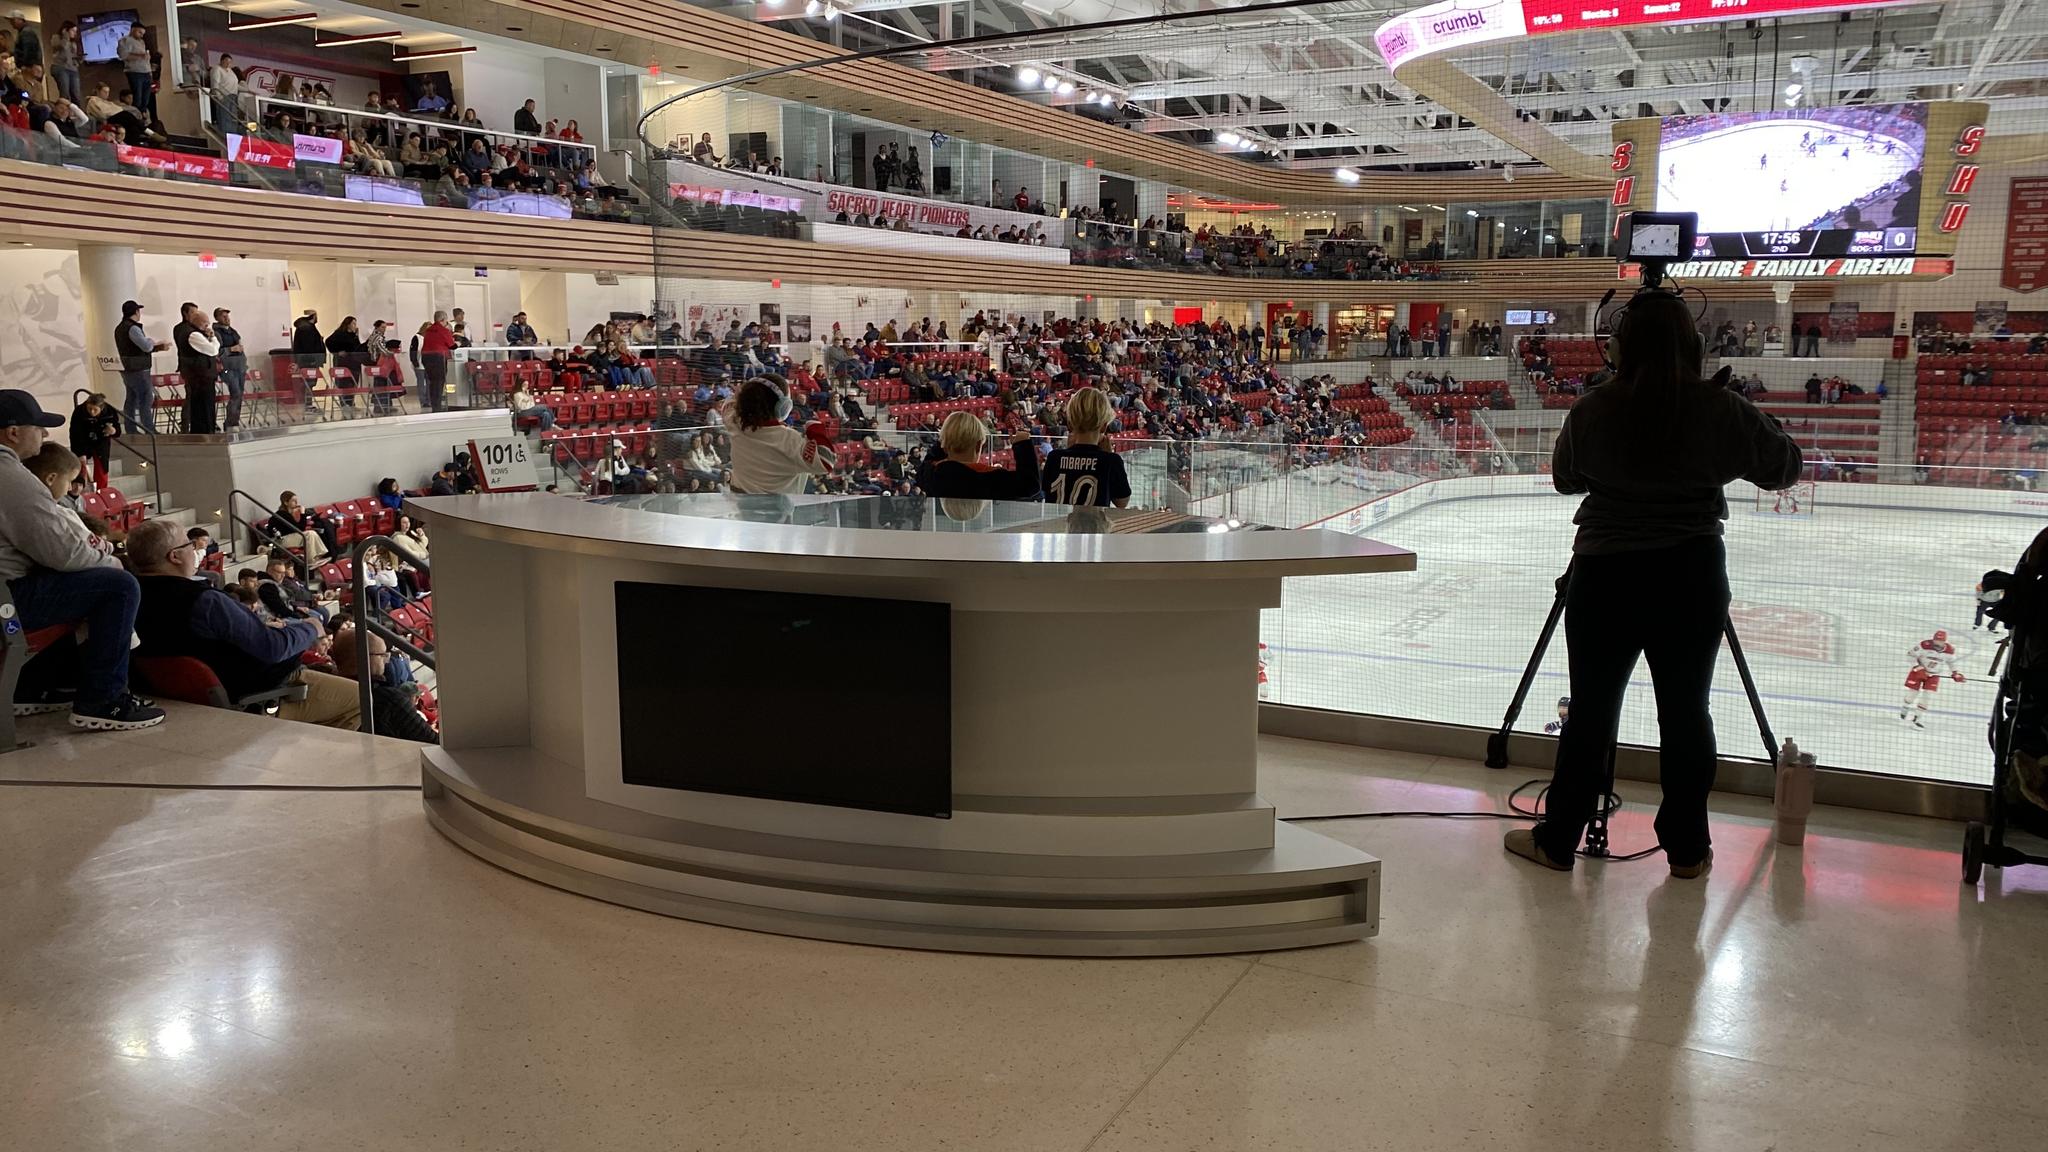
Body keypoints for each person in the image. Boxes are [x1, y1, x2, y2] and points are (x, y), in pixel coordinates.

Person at [1502, 291, 1803, 880]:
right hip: (1690, 576)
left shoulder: (1594, 408)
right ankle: (1688, 850)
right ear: (1693, 346)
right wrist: (1735, 411)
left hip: (1605, 578)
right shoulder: (1721, 408)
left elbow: (1566, 478)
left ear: (1619, 348)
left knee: (1590, 712)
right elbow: (1784, 467)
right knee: (1687, 715)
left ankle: (1559, 838)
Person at [0, 390, 165, 730]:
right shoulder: (9, 475)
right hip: (5, 602)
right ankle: (103, 700)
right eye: (39, 427)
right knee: (117, 586)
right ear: (13, 432)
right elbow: (65, 553)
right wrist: (107, 558)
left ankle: (32, 686)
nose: (44, 435)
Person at [125, 519, 362, 731]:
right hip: (257, 690)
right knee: (362, 700)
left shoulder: (127, 595)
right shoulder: (204, 601)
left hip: (182, 693)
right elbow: (272, 648)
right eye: (188, 545)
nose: (195, 550)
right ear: (174, 557)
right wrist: (311, 627)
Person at [721, 377, 834, 495]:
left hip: (739, 503)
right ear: (784, 407)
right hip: (776, 509)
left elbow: (729, 404)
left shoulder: (734, 421)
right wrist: (814, 428)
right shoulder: (790, 440)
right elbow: (826, 462)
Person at [330, 627, 437, 743]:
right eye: (383, 655)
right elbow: (431, 741)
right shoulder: (390, 699)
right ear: (366, 657)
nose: (386, 661)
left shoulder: (331, 689)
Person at [916, 412, 1041, 499]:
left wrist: (948, 438)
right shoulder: (989, 477)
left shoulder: (930, 473)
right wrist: (1023, 444)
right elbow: (1030, 485)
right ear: (978, 445)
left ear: (944, 444)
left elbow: (930, 459)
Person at [1041, 387, 1131, 507]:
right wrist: (1108, 454)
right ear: (1104, 427)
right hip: (1095, 525)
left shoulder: (1054, 457)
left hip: (1058, 525)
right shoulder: (1111, 461)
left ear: (1070, 424)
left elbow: (1047, 493)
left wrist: (1069, 451)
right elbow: (1122, 502)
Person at [113, 299, 168, 435]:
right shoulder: (133, 328)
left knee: (131, 399)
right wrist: (153, 341)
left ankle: (131, 428)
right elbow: (146, 346)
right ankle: (149, 429)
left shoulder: (119, 328)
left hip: (127, 367)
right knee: (145, 398)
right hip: (139, 368)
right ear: (136, 312)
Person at [173, 301, 221, 434]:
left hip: (202, 376)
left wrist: (210, 337)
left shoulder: (195, 333)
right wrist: (213, 338)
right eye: (206, 323)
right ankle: (204, 434)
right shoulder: (193, 335)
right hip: (199, 377)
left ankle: (207, 431)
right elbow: (213, 350)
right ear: (199, 323)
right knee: (202, 409)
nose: (208, 327)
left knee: (205, 407)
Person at [67, 393, 120, 487]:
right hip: (83, 440)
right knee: (81, 467)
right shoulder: (79, 411)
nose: (92, 412)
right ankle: (81, 490)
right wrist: (80, 452)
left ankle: (101, 491)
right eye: (89, 408)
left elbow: (117, 430)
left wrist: (113, 431)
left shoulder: (110, 412)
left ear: (102, 408)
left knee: (102, 468)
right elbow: (75, 433)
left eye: (95, 410)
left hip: (101, 441)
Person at [266, 490, 332, 562]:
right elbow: (300, 528)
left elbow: (297, 528)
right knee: (309, 534)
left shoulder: (287, 513)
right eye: (293, 501)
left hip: (288, 537)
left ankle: (318, 555)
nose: (296, 503)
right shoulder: (283, 514)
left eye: (296, 500)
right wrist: (302, 513)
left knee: (312, 533)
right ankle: (310, 560)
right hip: (281, 541)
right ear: (286, 502)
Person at [210, 307, 246, 429]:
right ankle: (231, 423)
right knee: (235, 392)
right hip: (227, 367)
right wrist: (230, 349)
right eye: (223, 316)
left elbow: (240, 345)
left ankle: (234, 420)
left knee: (240, 394)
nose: (227, 318)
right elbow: (216, 351)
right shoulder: (215, 333)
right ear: (217, 318)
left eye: (227, 316)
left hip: (239, 366)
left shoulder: (233, 331)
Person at [115, 21, 153, 124]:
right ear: (133, 29)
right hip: (134, 72)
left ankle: (144, 120)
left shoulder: (142, 42)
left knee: (146, 100)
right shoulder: (125, 40)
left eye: (143, 34)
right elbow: (123, 55)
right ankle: (137, 122)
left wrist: (150, 71)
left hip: (146, 71)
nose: (141, 35)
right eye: (140, 32)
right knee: (138, 98)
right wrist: (140, 56)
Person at [417, 311, 455, 412]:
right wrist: (458, 343)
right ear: (443, 320)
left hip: (426, 357)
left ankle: (434, 405)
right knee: (439, 382)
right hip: (438, 357)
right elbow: (452, 346)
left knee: (432, 382)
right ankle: (437, 406)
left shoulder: (428, 330)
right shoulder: (443, 330)